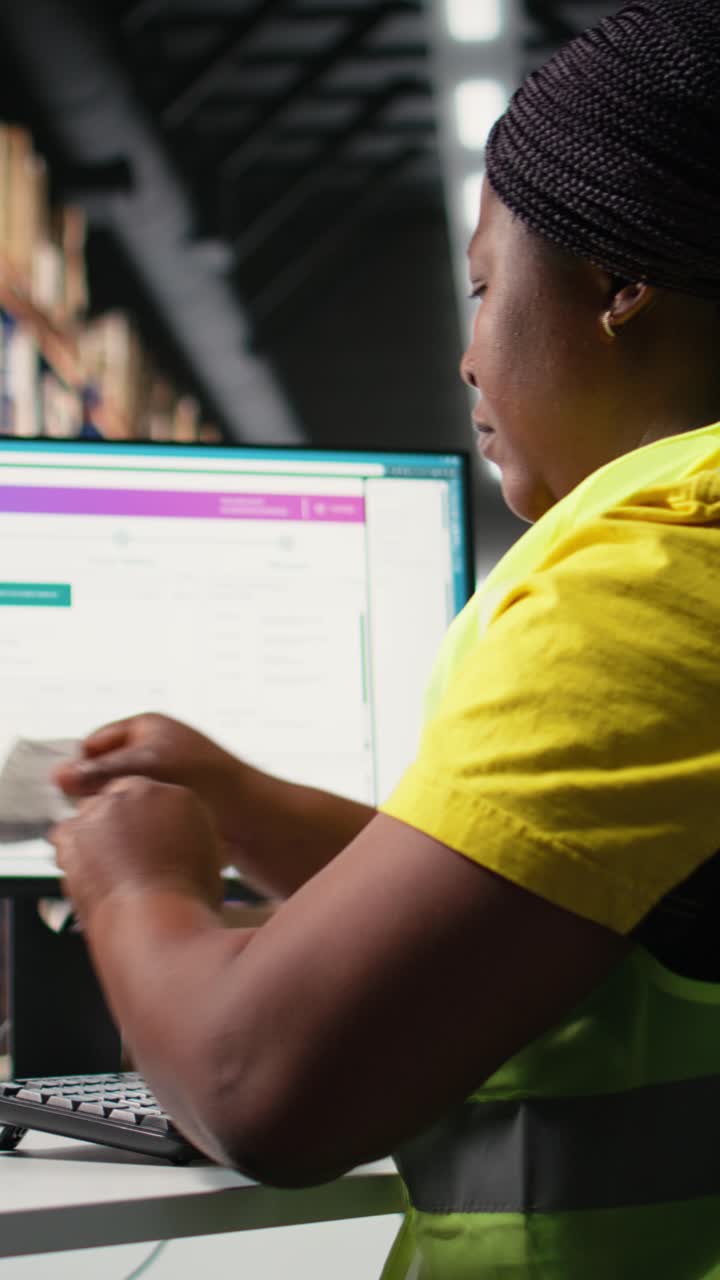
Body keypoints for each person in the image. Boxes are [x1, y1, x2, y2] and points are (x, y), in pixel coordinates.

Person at [51, 0, 720, 1274]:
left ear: (621, 283)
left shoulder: (659, 562)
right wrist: (243, 801)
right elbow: (551, 903)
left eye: (484, 289)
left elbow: (260, 1086)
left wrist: (139, 884)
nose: (470, 358)